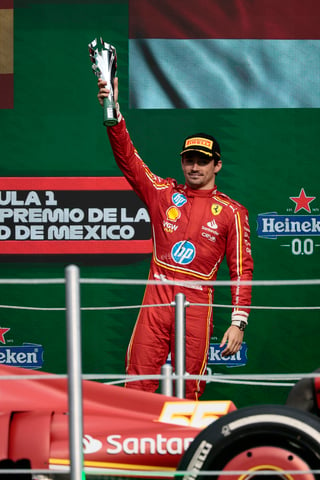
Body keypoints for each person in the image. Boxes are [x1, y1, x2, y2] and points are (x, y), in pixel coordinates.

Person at [97, 77, 253, 400]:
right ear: (182, 161)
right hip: (156, 300)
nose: (194, 167)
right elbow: (129, 159)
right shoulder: (163, 193)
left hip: (197, 306)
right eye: (189, 159)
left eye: (202, 161)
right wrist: (113, 112)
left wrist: (238, 322)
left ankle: (184, 450)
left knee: (188, 390)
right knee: (137, 384)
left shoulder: (233, 212)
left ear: (217, 165)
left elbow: (242, 270)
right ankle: (131, 447)